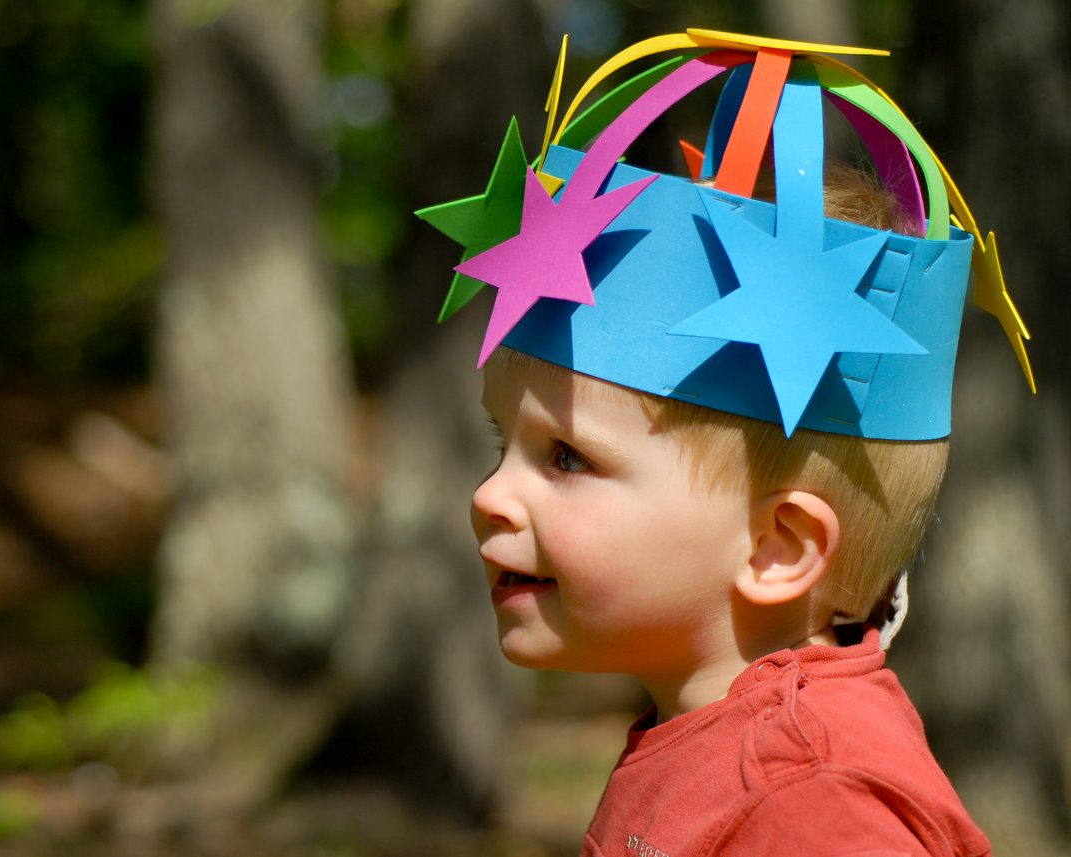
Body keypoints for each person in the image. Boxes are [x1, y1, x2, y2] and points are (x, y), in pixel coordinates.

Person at [417, 29, 1035, 856]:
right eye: (506, 443)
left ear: (778, 546)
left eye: (568, 456)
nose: (490, 494)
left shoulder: (813, 798)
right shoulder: (716, 733)